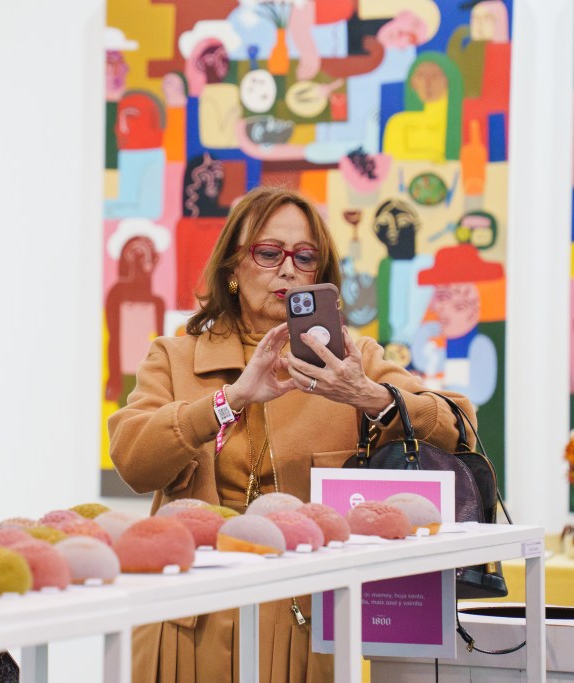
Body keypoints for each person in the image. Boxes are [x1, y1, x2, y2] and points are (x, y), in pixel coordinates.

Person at [107, 186, 475, 683]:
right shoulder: (174, 357)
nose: (288, 269)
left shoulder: (352, 359)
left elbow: (461, 427)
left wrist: (367, 396)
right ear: (233, 269)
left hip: (306, 621)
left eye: (305, 257)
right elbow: (133, 461)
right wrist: (229, 400)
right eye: (268, 252)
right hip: (189, 621)